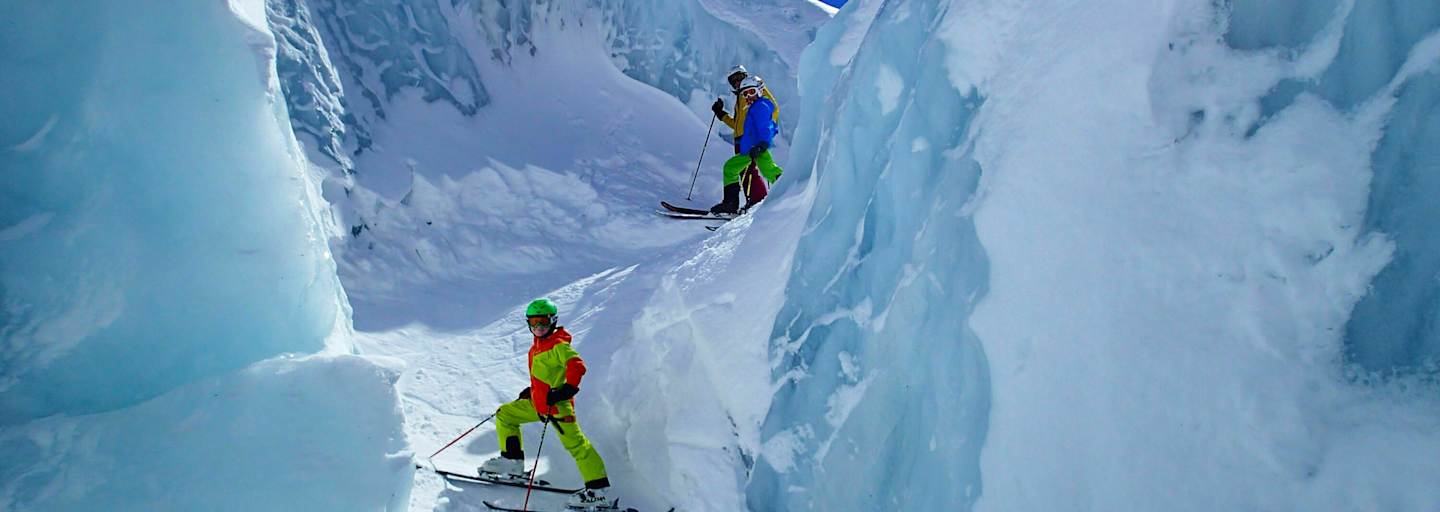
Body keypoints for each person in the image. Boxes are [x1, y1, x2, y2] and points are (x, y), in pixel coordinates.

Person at [479, 299, 611, 509]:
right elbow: (547, 375)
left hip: (557, 407)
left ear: (553, 321)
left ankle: (597, 492)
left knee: (577, 446)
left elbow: (576, 365)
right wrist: (532, 391)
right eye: (534, 322)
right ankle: (512, 463)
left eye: (543, 321)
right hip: (538, 404)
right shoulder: (538, 346)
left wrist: (567, 389)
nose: (538, 327)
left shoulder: (558, 344)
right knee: (505, 415)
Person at [710, 75, 783, 214]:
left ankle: (790, 190)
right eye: (745, 94)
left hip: (757, 148)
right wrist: (721, 114)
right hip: (748, 148)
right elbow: (738, 125)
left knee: (767, 170)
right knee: (732, 168)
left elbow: (765, 127)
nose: (748, 96)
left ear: (760, 90)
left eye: (751, 92)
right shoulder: (750, 107)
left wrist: (762, 144)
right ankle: (731, 203)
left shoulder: (760, 106)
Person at [711, 65, 781, 155]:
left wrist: (765, 135)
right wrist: (720, 113)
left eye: (739, 77)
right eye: (733, 80)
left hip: (751, 140)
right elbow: (737, 125)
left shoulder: (754, 91)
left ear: (745, 76)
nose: (737, 82)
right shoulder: (741, 97)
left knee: (747, 167)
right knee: (742, 169)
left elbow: (773, 108)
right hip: (740, 141)